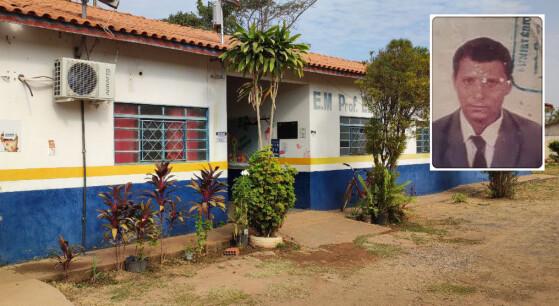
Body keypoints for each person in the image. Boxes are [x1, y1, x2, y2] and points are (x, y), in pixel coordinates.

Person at [432, 37, 542, 168]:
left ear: (508, 86)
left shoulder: (535, 137)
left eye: (491, 82)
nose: (479, 95)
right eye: (468, 81)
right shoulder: (434, 135)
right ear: (454, 81)